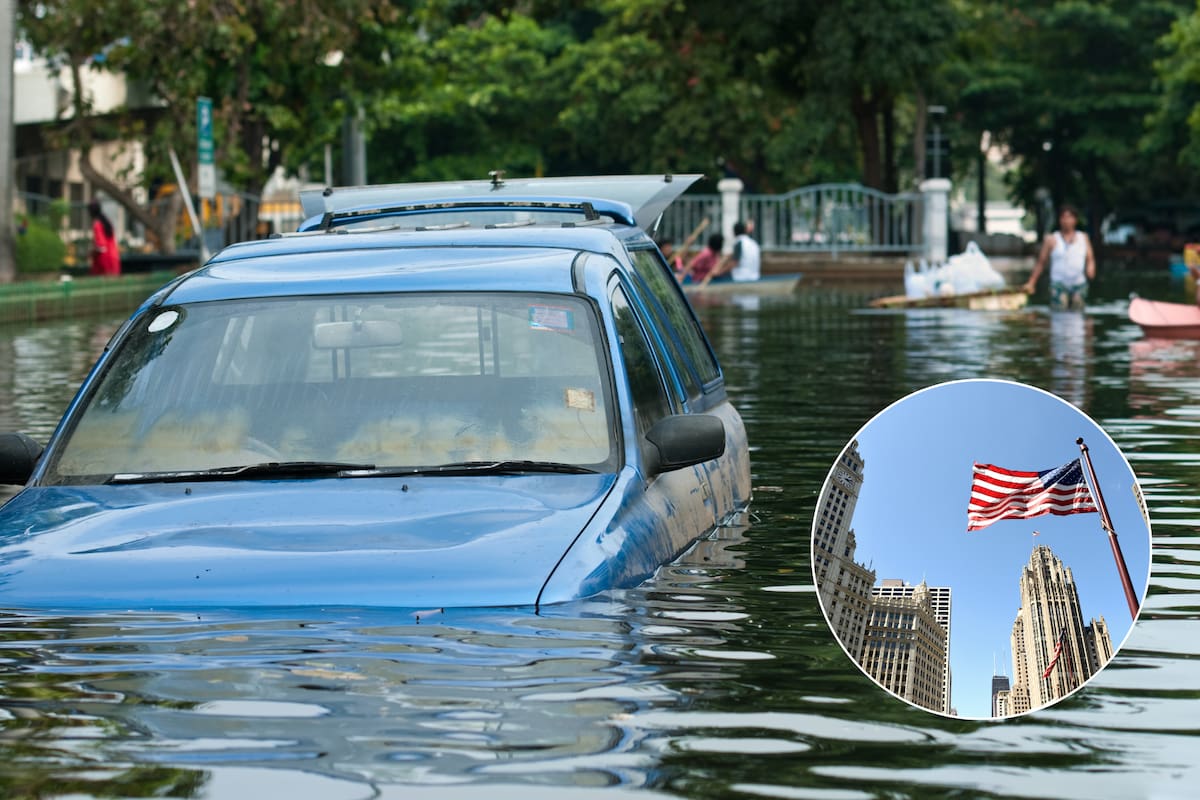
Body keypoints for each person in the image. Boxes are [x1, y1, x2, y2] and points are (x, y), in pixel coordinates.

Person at [1023, 205, 1094, 309]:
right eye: (1063, 217)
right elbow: (1041, 263)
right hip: (1058, 283)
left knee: (1078, 311)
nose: (1066, 221)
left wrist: (1090, 269)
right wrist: (1031, 282)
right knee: (1059, 309)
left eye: (1069, 217)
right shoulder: (1051, 239)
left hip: (1078, 283)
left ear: (1075, 220)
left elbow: (1090, 258)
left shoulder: (1083, 238)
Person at [88, 199, 121, 277]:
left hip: (104, 261)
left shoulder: (97, 224)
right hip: (114, 257)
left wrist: (92, 252)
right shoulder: (106, 222)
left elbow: (101, 246)